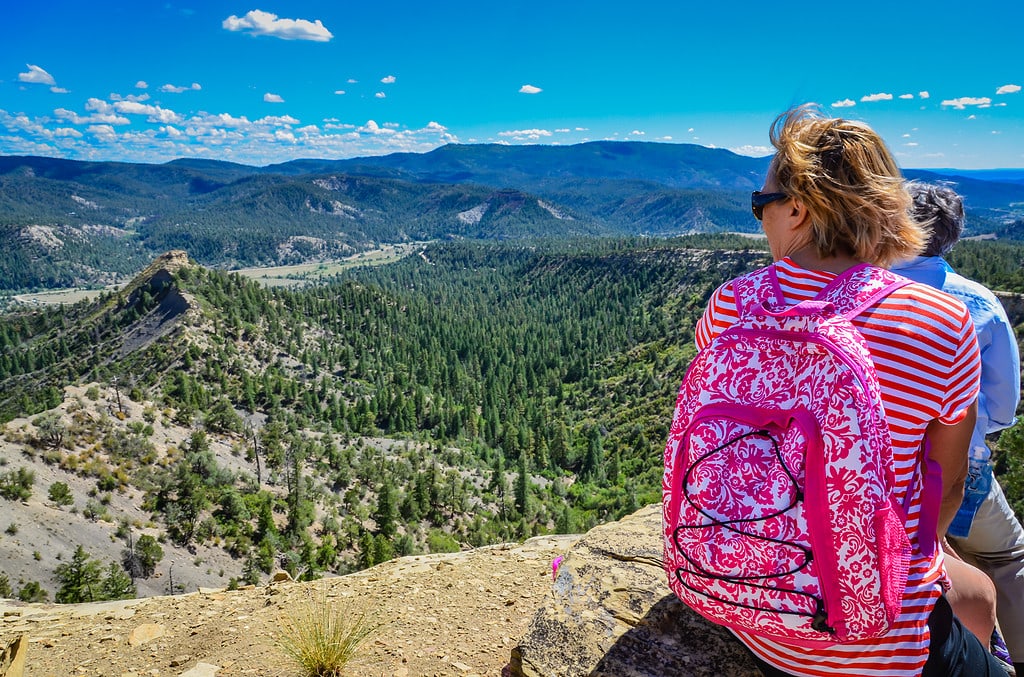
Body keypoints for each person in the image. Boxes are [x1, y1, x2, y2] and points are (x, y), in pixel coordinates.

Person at [692, 104, 1003, 676]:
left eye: (761, 205)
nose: (761, 220)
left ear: (799, 209)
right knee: (983, 628)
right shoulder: (940, 321)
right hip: (885, 641)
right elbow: (949, 482)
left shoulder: (731, 304)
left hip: (757, 613)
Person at [895, 182, 1024, 673]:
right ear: (950, 237)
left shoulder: (858, 294)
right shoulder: (979, 303)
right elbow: (1002, 406)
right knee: (1009, 558)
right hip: (961, 468)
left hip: (884, 476)